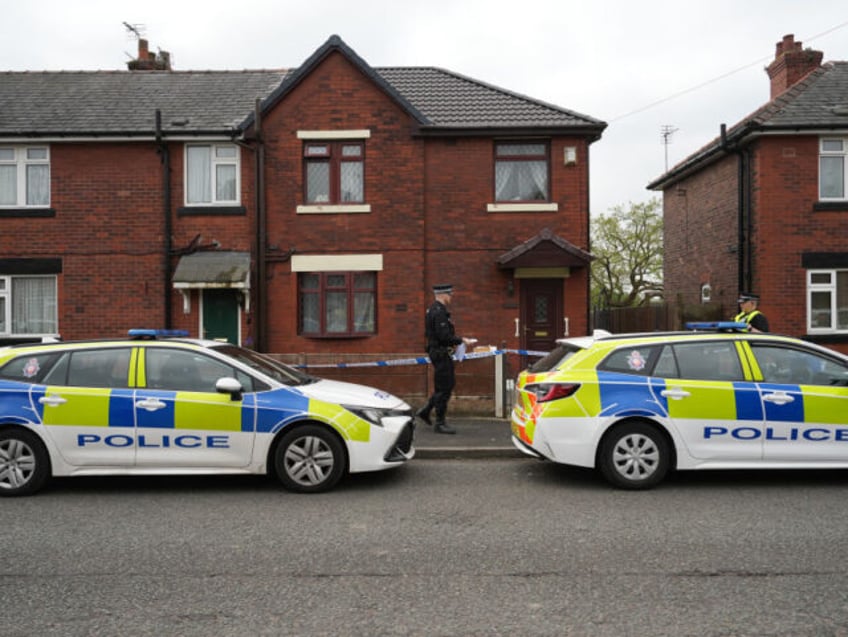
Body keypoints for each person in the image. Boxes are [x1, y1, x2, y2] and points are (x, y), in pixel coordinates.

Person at [415, 284, 474, 435]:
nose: (451, 297)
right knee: (445, 388)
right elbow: (444, 336)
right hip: (440, 354)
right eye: (449, 295)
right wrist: (461, 340)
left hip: (439, 353)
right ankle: (439, 423)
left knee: (444, 386)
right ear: (443, 295)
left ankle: (426, 411)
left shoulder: (434, 310)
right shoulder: (438, 312)